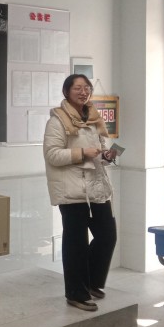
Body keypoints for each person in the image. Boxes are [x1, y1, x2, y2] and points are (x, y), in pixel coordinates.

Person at [43, 74, 118, 312]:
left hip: (96, 188)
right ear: (66, 92)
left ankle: (92, 283)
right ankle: (76, 293)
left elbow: (99, 149)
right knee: (76, 243)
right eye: (78, 88)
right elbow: (52, 155)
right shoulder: (57, 120)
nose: (83, 92)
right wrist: (82, 152)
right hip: (71, 190)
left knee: (108, 236)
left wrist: (106, 155)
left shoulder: (93, 118)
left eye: (86, 88)